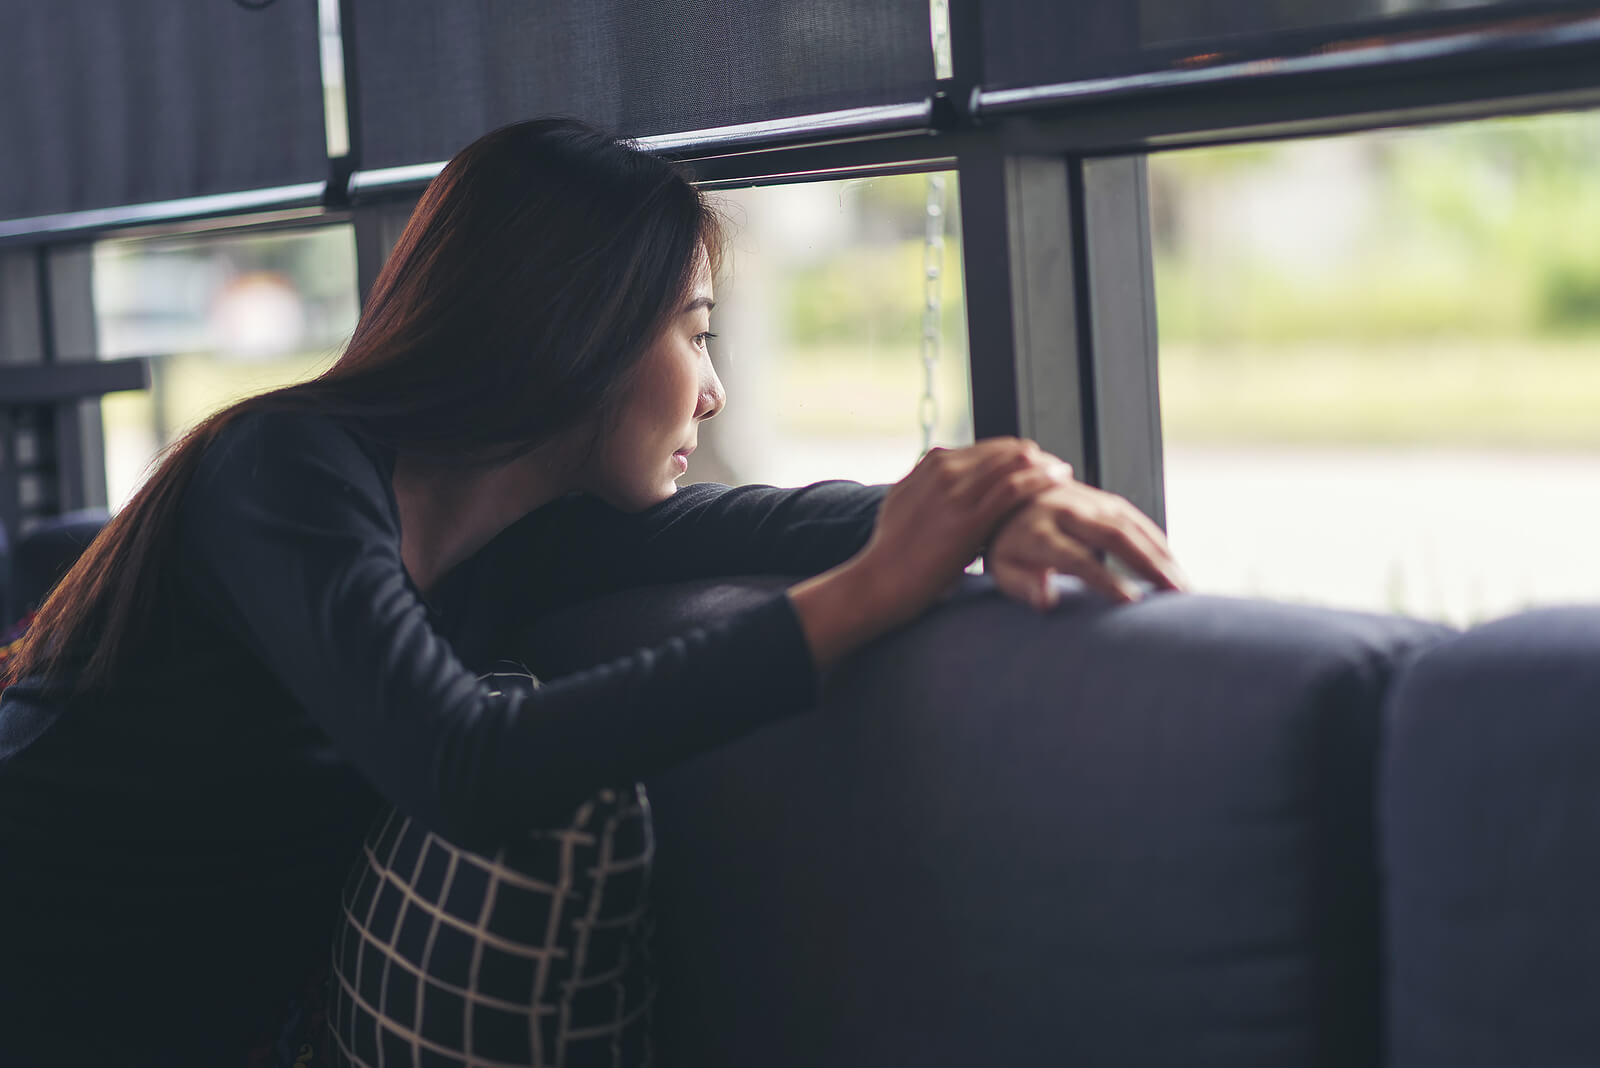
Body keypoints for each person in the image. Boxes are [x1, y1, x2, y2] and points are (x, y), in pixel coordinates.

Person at [0, 119, 1184, 1068]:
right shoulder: (279, 469)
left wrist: (1009, 497)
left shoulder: (531, 540)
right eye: (694, 332)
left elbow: (793, 517)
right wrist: (869, 597)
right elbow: (460, 762)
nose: (711, 392)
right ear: (576, 331)